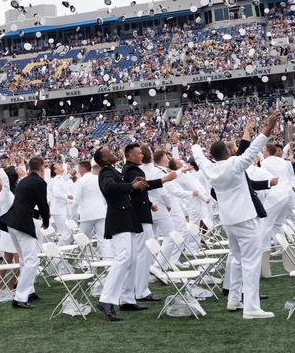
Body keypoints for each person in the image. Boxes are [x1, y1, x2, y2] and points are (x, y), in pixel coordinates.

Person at [193, 110, 280, 319]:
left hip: (228, 221)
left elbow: (198, 155)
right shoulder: (236, 163)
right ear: (227, 152)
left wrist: (195, 142)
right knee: (250, 262)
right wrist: (269, 126)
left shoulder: (208, 168)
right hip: (245, 219)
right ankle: (251, 307)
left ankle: (234, 299)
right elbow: (256, 146)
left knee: (238, 259)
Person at [95, 145, 175, 321]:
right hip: (119, 219)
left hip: (126, 218)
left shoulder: (112, 170)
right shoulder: (106, 172)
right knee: (123, 257)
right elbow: (110, 188)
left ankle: (126, 299)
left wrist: (134, 187)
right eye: (109, 151)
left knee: (130, 259)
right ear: (103, 159)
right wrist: (132, 184)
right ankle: (106, 299)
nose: (113, 151)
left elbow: (125, 188)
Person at [0, 155, 50, 309]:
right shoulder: (39, 182)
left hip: (12, 222)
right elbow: (44, 205)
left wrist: (37, 214)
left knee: (25, 260)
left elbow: (23, 204)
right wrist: (45, 221)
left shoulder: (23, 181)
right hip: (21, 224)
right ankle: (20, 297)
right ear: (41, 168)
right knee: (31, 261)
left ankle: (30, 291)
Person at [73, 161, 109, 257]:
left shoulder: (81, 181)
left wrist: (74, 217)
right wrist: (102, 205)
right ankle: (107, 261)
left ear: (83, 168)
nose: (78, 171)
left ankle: (86, 262)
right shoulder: (98, 178)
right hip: (101, 212)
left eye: (79, 168)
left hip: (87, 213)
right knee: (103, 239)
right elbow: (104, 196)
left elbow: (76, 201)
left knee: (84, 239)